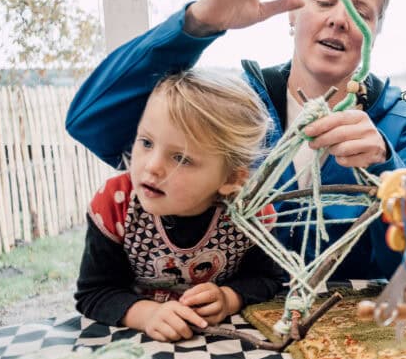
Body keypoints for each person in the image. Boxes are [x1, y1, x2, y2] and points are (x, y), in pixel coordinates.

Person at [66, 0, 406, 280]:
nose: (341, 19)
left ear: (375, 32)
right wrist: (200, 22)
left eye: (362, 13)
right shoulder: (232, 108)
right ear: (293, 13)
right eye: (324, 1)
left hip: (352, 330)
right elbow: (92, 123)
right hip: (232, 321)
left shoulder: (400, 124)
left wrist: (386, 167)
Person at [74, 70, 285, 342]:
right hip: (132, 345)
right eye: (146, 142)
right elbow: (94, 293)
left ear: (232, 178)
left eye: (181, 158)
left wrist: (228, 298)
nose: (152, 167)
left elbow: (268, 279)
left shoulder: (251, 213)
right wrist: (147, 314)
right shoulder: (115, 204)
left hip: (221, 346)